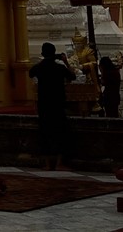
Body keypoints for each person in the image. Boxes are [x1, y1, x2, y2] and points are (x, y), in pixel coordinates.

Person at [28, 42, 76, 170]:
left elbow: (31, 73)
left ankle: (48, 164)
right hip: (58, 104)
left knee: (45, 133)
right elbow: (73, 76)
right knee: (61, 133)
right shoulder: (59, 68)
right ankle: (60, 163)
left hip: (44, 105)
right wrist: (65, 61)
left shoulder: (38, 67)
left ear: (42, 54)